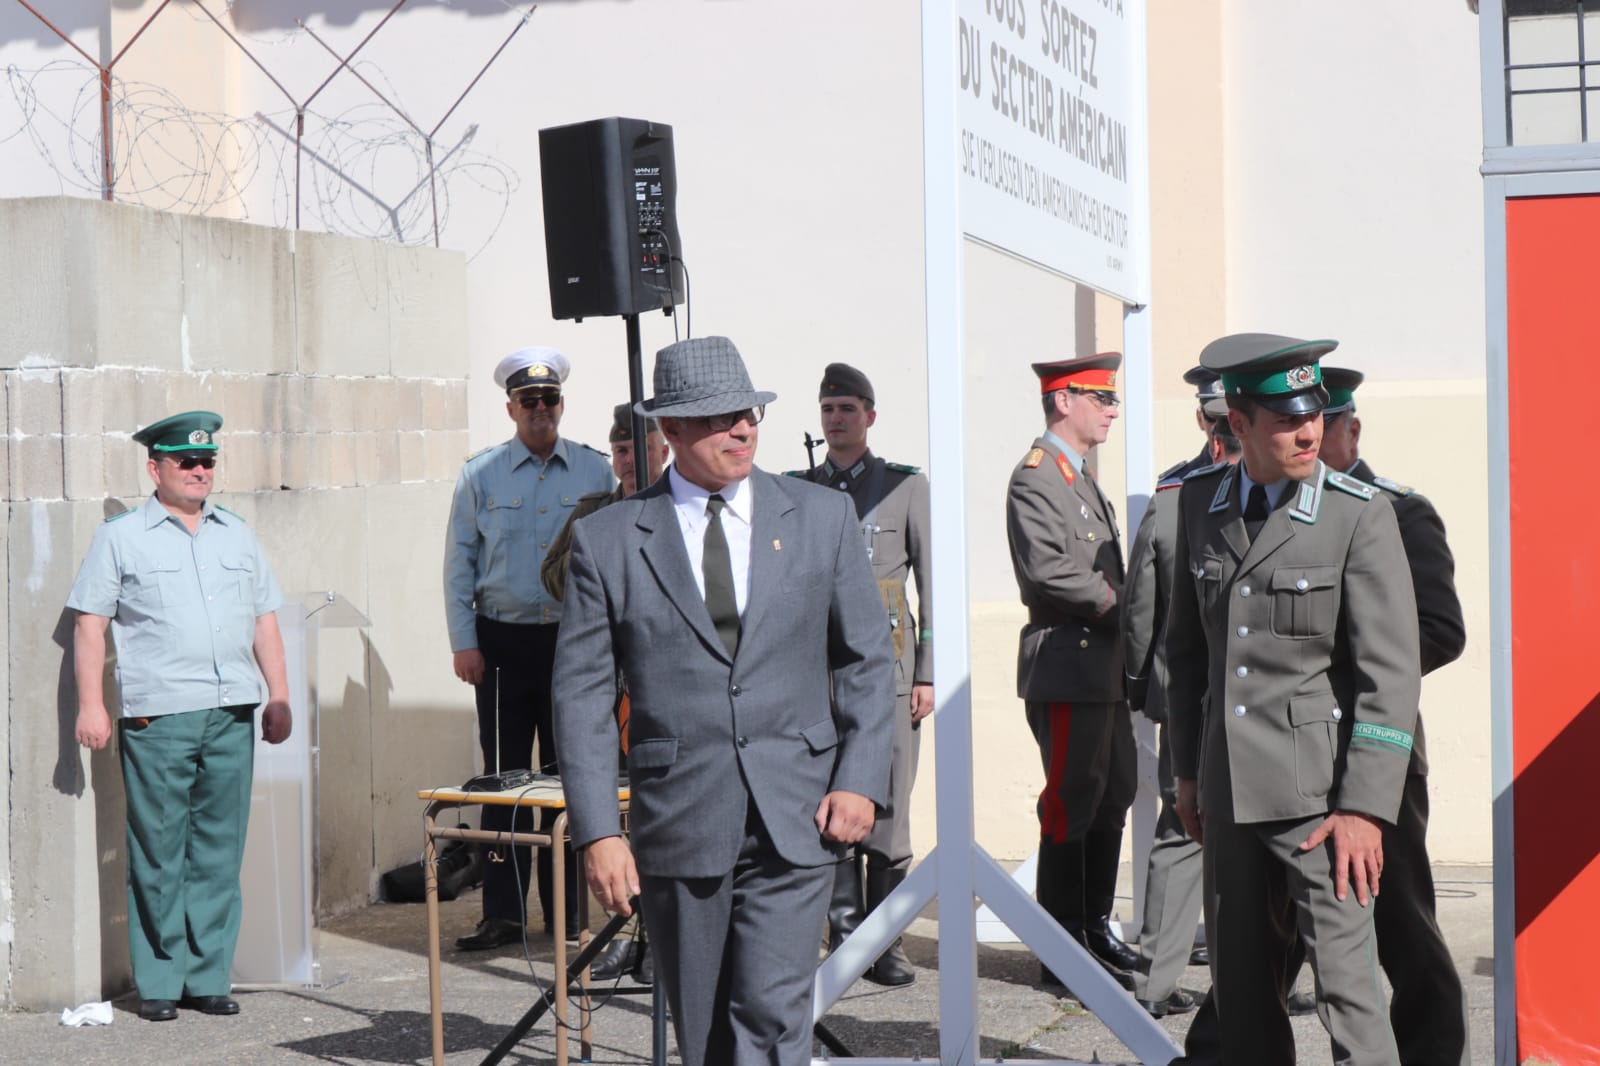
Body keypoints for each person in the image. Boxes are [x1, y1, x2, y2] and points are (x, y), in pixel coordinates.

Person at [552, 336, 896, 1066]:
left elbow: (866, 659)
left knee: (771, 1022)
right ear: (670, 432)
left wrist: (860, 777)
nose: (742, 429)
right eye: (718, 418)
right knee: (706, 1036)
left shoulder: (819, 517)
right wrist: (596, 833)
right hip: (681, 818)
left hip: (796, 818)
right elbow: (581, 695)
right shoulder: (607, 540)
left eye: (748, 413)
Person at [1164, 333, 1422, 1066]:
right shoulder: (1199, 505)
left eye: (1311, 413)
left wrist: (1366, 808)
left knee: (1349, 996)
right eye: (1284, 419)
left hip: (1323, 803)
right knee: (1244, 998)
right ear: (1236, 424)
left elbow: (1390, 673)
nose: (1308, 430)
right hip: (1230, 798)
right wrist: (1188, 773)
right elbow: (1187, 654)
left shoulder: (1356, 514)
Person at [66, 411, 292, 1022]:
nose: (198, 470)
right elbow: (90, 624)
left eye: (207, 461)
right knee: (161, 851)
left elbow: (264, 619)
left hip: (231, 713)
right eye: (185, 462)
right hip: (158, 718)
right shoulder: (120, 537)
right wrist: (93, 705)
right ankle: (161, 982)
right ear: (155, 468)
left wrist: (279, 694)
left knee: (219, 850)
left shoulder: (237, 534)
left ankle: (208, 976)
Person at [1271, 365, 1467, 1062]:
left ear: (1351, 430)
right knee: (1273, 921)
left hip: (1373, 741)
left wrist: (1349, 673)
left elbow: (1440, 630)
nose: (1309, 442)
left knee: (1398, 914)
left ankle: (1432, 1050)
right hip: (1288, 750)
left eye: (1325, 430)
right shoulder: (1278, 510)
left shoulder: (1397, 511)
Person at [443, 346, 613, 951]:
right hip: (502, 646)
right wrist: (464, 642)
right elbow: (459, 564)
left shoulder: (596, 472)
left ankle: (567, 913)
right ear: (511, 407)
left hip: (574, 643)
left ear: (561, 405)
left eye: (549, 400)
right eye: (528, 401)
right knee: (505, 782)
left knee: (571, 782)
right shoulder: (480, 474)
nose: (540, 409)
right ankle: (504, 913)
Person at [1005, 351, 1142, 990]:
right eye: (1100, 397)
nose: (1112, 409)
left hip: (1102, 669)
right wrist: (1127, 609)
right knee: (1069, 805)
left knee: (1113, 795)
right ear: (1064, 401)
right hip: (1068, 665)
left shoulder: (1078, 476)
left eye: (1112, 399)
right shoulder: (1037, 477)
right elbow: (1051, 572)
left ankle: (1091, 930)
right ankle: (1061, 952)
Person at [792, 362, 931, 988]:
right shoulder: (797, 489)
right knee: (829, 799)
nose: (837, 419)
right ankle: (847, 935)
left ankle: (887, 942)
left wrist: (926, 672)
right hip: (815, 677)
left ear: (869, 416)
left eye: (848, 408)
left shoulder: (904, 488)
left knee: (889, 809)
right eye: (828, 410)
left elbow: (932, 586)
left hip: (891, 676)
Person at [540, 402, 671, 984]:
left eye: (637, 449)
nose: (627, 460)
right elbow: (549, 574)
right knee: (609, 810)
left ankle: (656, 933)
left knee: (653, 811)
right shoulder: (595, 514)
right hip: (607, 681)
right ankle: (621, 927)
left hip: (654, 684)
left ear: (661, 450)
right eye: (619, 450)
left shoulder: (675, 507)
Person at [1123, 400, 1241, 1020]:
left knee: (1182, 833)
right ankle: (1269, 976)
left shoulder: (1176, 493)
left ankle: (1156, 980)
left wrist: (1142, 685)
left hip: (1188, 696)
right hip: (1207, 699)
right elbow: (1144, 597)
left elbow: (1140, 601)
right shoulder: (1186, 493)